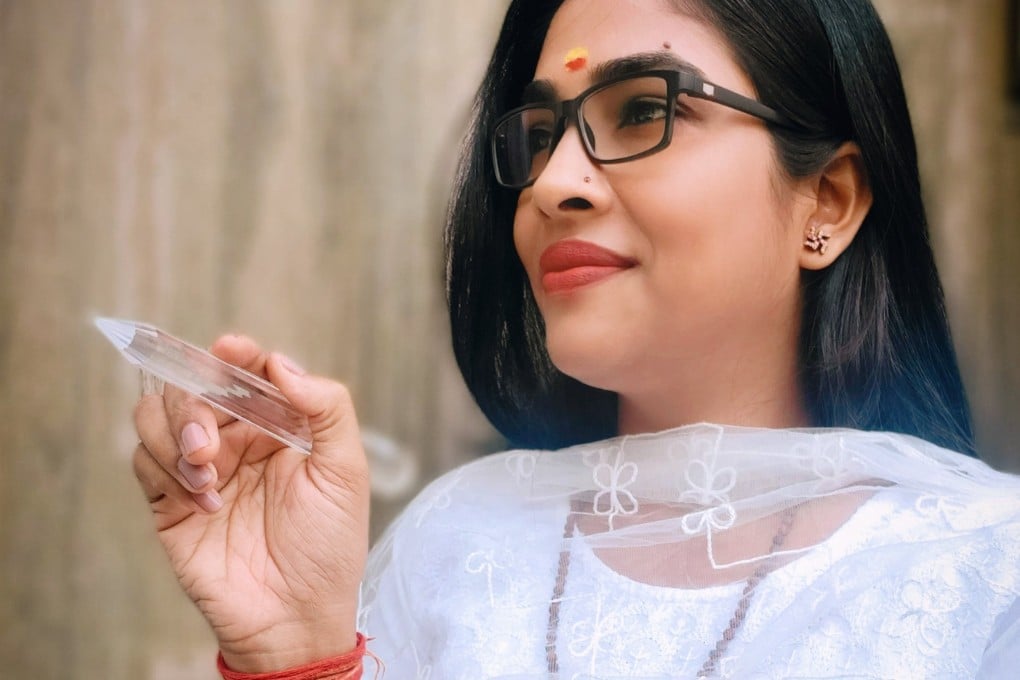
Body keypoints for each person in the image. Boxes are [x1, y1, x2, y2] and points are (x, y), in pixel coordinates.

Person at [132, 0, 1020, 677]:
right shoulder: (456, 543)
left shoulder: (987, 574)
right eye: (541, 133)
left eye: (643, 111)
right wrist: (295, 648)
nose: (555, 183)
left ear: (826, 201)